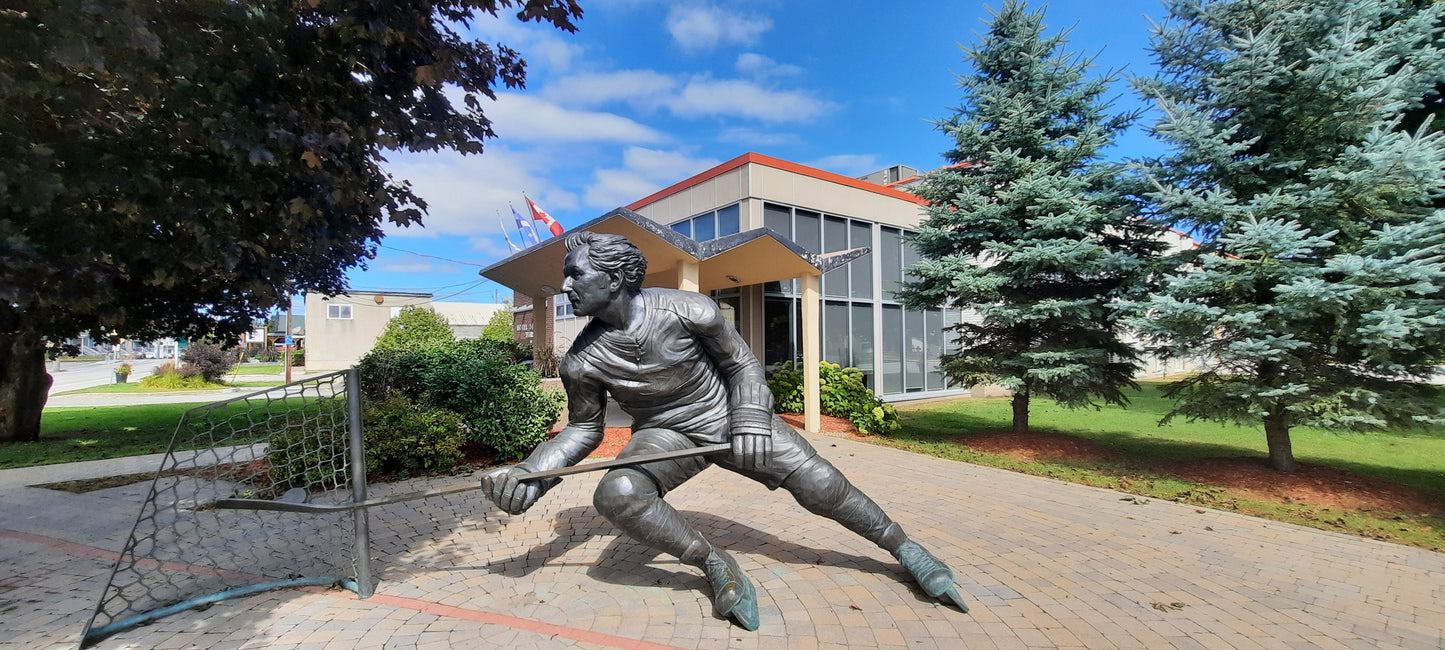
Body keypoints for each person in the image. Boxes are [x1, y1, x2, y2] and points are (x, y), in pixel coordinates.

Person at [482, 231, 967, 630]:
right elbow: (583, 431)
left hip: (730, 416)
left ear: (613, 278)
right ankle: (714, 562)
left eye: (576, 274)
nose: (566, 285)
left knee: (821, 485)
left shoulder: (688, 310)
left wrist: (752, 418)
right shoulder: (580, 360)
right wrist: (530, 475)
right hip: (664, 434)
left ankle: (904, 548)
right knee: (619, 493)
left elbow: (743, 366)